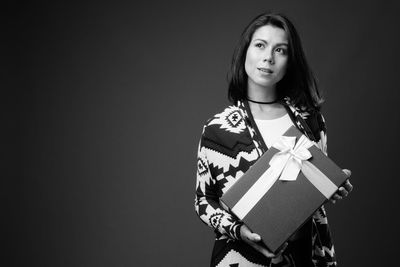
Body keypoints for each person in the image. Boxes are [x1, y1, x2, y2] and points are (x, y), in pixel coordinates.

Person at [194, 12, 353, 267]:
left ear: (290, 61)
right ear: (245, 52)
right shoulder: (218, 129)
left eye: (280, 50)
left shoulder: (311, 121)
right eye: (260, 45)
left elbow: (313, 192)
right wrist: (238, 230)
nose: (268, 57)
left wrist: (332, 185)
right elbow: (203, 201)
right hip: (241, 259)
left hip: (306, 258)